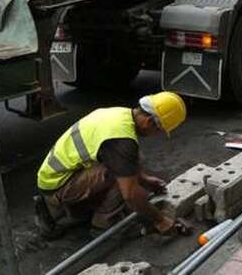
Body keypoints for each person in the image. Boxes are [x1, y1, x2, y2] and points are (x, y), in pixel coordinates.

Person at [33, 92, 188, 239]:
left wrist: (144, 179)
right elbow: (131, 195)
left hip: (56, 176)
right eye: (159, 130)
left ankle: (76, 208)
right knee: (119, 174)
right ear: (148, 121)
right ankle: (104, 224)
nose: (156, 135)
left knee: (129, 161)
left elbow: (122, 157)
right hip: (57, 185)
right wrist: (160, 220)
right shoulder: (121, 139)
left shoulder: (120, 114)